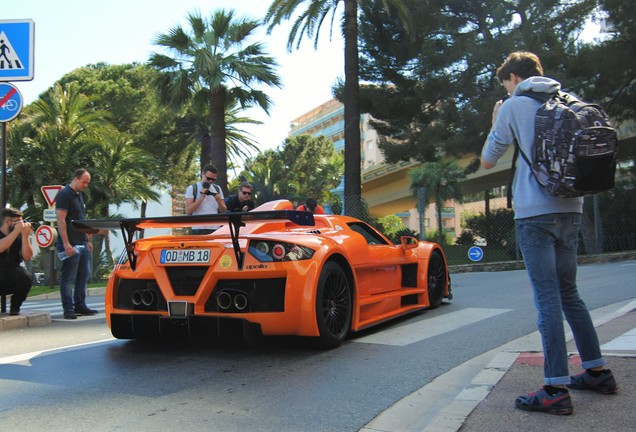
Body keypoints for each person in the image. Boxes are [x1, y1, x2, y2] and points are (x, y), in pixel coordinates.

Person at [481, 51, 618, 415]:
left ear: (512, 77)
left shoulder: (514, 105)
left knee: (547, 299)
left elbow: (488, 158)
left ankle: (555, 388)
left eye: (506, 83)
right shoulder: (565, 100)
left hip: (534, 213)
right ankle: (597, 371)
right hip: (572, 207)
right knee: (569, 293)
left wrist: (498, 118)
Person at [56, 168, 98, 319]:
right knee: (68, 278)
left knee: (83, 275)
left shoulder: (78, 195)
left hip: (81, 242)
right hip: (71, 244)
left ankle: (80, 305)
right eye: (84, 182)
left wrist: (87, 239)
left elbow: (80, 220)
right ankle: (68, 309)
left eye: (88, 182)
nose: (86, 185)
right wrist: (66, 243)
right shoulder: (64, 194)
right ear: (75, 179)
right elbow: (61, 220)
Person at [0, 208, 33, 315]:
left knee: (26, 276)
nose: (22, 225)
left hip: (11, 270)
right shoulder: (13, 233)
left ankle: (15, 307)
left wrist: (25, 237)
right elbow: (1, 247)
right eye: (18, 222)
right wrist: (16, 231)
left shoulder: (19, 235)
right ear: (8, 222)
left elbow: (27, 257)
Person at [185, 164, 227, 234]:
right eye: (208, 178)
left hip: (215, 229)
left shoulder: (217, 189)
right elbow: (188, 211)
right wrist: (201, 198)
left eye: (213, 179)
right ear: (202, 174)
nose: (210, 181)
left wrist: (219, 201)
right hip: (198, 228)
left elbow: (224, 211)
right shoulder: (193, 188)